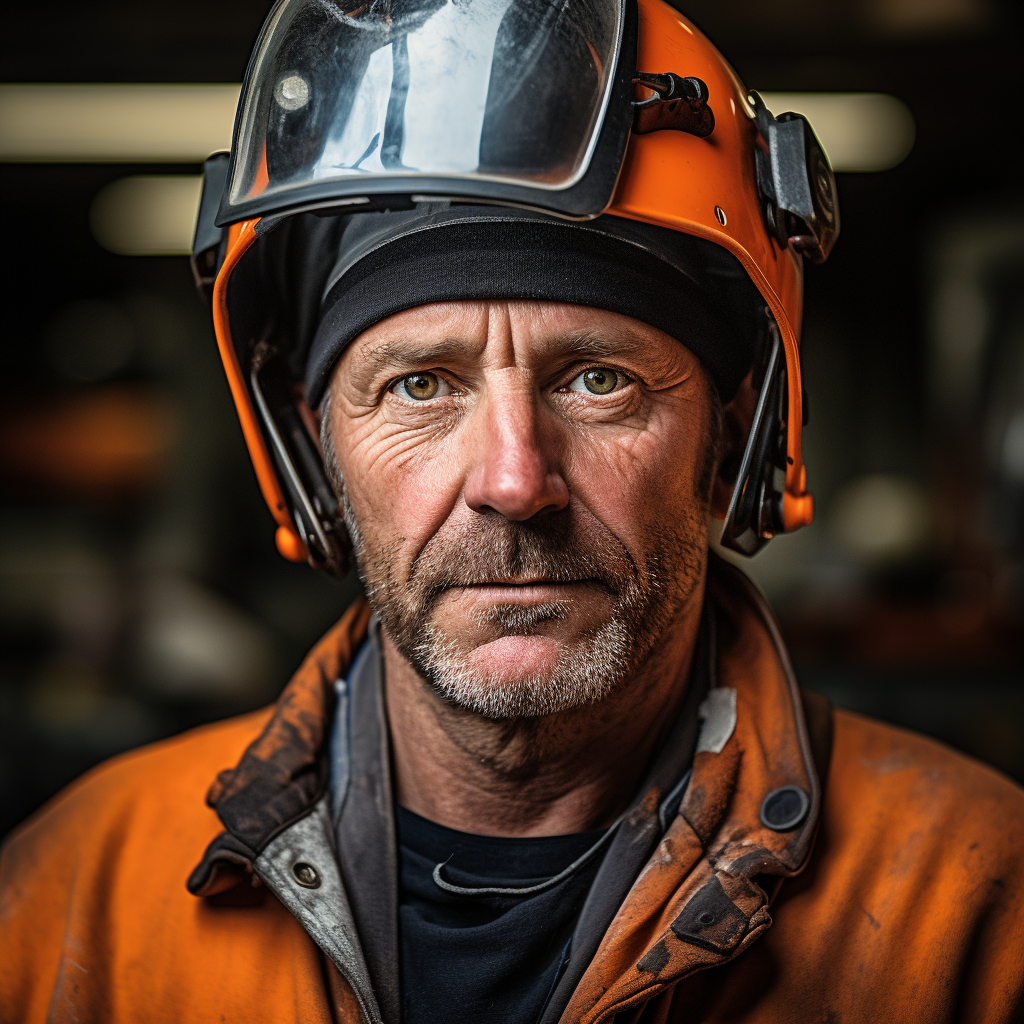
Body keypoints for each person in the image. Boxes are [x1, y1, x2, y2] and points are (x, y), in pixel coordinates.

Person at [2, 0, 1022, 1021]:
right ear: (319, 452)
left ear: (730, 437)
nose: (512, 480)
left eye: (597, 379)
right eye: (419, 386)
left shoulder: (980, 904)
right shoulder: (76, 892)